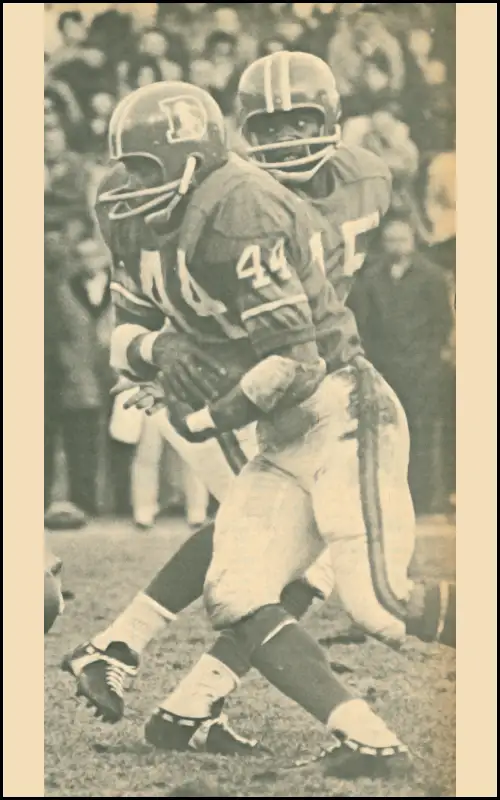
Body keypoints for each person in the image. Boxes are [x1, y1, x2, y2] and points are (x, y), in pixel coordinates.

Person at [64, 78, 415, 780]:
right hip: (235, 386)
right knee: (251, 564)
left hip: (310, 388)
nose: (286, 140)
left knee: (332, 579)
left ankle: (183, 690)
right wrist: (161, 353)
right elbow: (127, 329)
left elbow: (301, 346)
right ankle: (134, 657)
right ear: (240, 135)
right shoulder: (179, 207)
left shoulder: (319, 190)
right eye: (271, 125)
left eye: (301, 122)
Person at [348, 214, 455, 515]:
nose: (396, 245)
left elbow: (441, 323)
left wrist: (430, 358)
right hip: (385, 366)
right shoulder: (370, 278)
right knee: (386, 432)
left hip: (422, 367)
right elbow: (364, 323)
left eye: (402, 239)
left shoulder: (432, 276)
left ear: (413, 242)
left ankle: (424, 499)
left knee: (421, 432)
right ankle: (390, 497)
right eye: (390, 240)